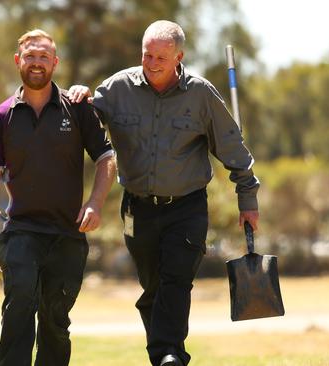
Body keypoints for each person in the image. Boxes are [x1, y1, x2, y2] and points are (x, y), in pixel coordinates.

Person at [68, 20, 260, 366]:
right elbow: (84, 124)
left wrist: (247, 200)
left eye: (161, 57)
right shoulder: (116, 89)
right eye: (147, 55)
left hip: (187, 207)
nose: (152, 63)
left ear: (179, 57)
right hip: (137, 210)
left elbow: (233, 148)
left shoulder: (201, 94)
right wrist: (80, 95)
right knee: (153, 290)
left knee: (176, 280)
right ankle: (165, 352)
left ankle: (168, 355)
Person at [0, 29, 117, 366]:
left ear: (55, 62)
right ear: (18, 60)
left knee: (55, 320)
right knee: (20, 301)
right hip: (20, 229)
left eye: (43, 57)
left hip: (68, 234)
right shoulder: (0, 118)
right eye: (30, 56)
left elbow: (107, 159)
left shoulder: (78, 109)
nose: (36, 63)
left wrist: (95, 202)